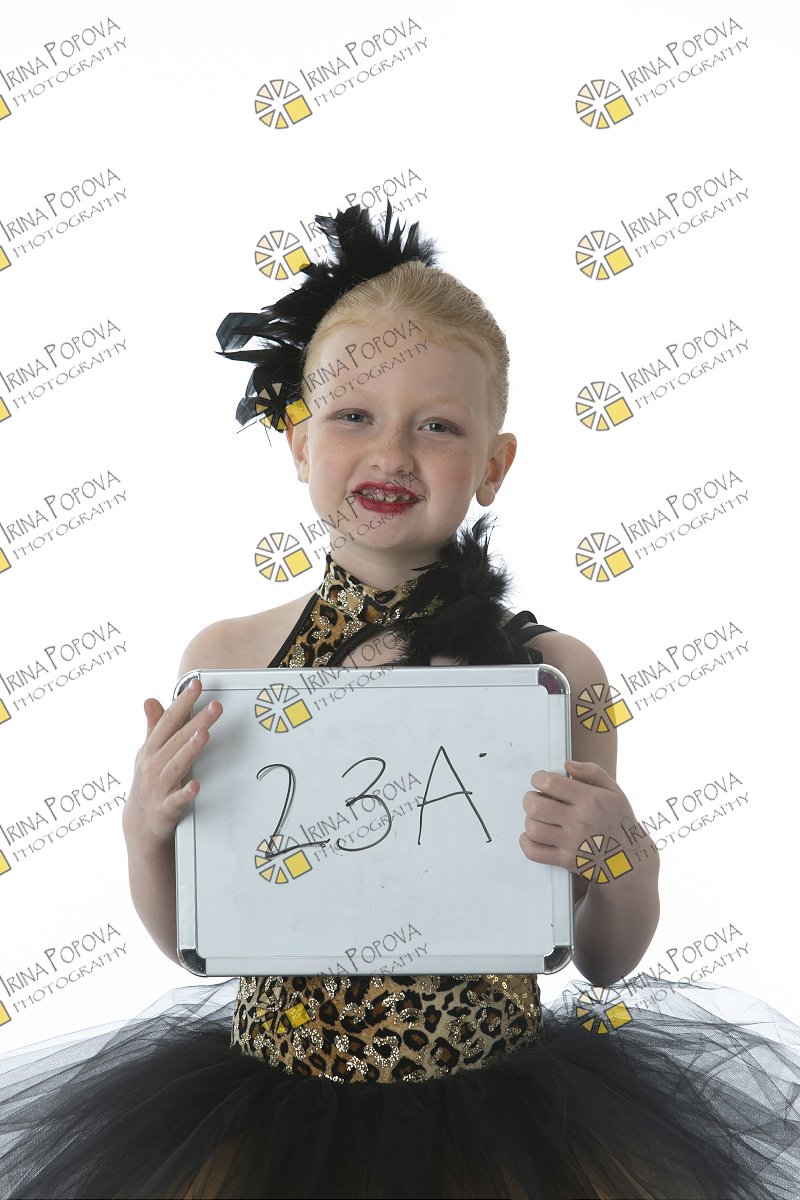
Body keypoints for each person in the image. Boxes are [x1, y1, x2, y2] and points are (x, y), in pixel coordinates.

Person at [1, 205, 799, 1200]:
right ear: (298, 442)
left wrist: (619, 852)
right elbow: (202, 944)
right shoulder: (231, 661)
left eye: (437, 426)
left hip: (492, 1122)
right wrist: (146, 834)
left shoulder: (553, 675)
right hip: (272, 1117)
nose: (390, 453)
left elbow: (601, 958)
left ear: (493, 465)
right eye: (353, 417)